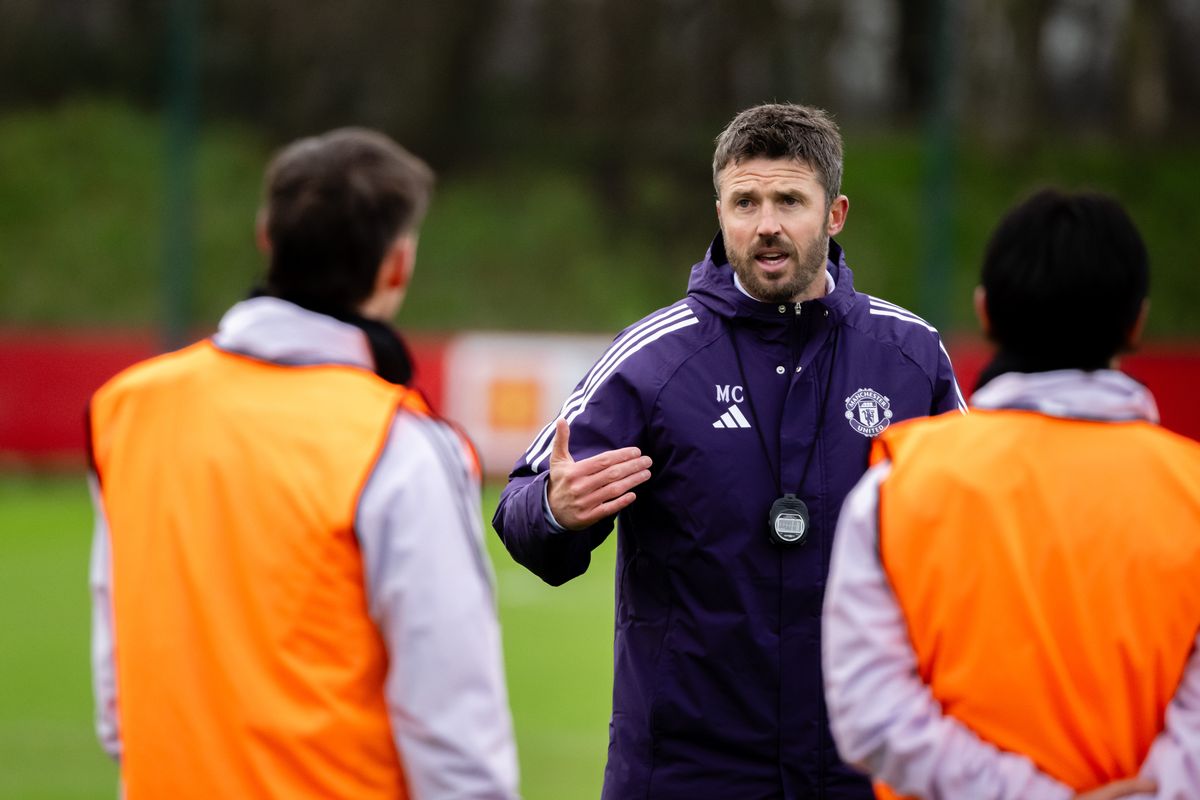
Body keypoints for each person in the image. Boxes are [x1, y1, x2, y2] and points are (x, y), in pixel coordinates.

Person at [493, 103, 966, 798]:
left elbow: (978, 534)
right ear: (720, 212)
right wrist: (553, 510)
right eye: (745, 202)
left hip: (866, 768)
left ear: (835, 214)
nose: (766, 223)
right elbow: (522, 507)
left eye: (789, 200)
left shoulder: (910, 356)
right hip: (686, 773)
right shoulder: (653, 360)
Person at [87, 129, 519, 799]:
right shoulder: (398, 444)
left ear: (266, 236)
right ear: (398, 265)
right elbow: (454, 730)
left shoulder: (128, 408)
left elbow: (119, 687)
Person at [823, 189, 1200, 799]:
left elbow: (871, 716)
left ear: (985, 313)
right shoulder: (1191, 493)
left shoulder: (897, 488)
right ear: (1138, 322)